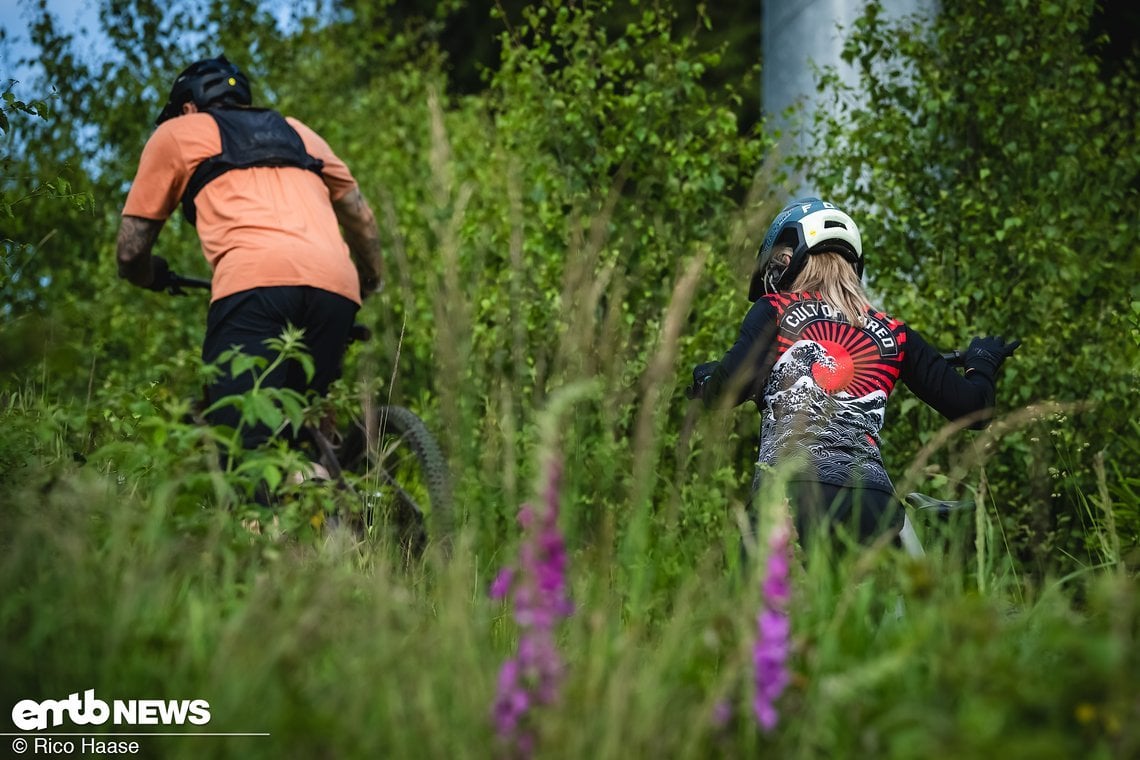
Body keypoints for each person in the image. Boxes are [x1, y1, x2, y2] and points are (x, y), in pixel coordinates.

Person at [689, 197, 1018, 550]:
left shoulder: (774, 310)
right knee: (903, 603)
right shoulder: (895, 333)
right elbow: (974, 408)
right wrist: (982, 362)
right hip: (874, 507)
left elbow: (725, 391)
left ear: (790, 258)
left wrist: (707, 380)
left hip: (789, 501)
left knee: (756, 603)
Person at [116, 55, 383, 453]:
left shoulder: (179, 133)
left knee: (241, 441)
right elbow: (361, 217)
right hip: (336, 287)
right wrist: (368, 278)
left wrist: (150, 274)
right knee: (304, 431)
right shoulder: (299, 133)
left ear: (188, 107)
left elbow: (130, 249)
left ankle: (257, 511)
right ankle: (327, 496)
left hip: (254, 285)